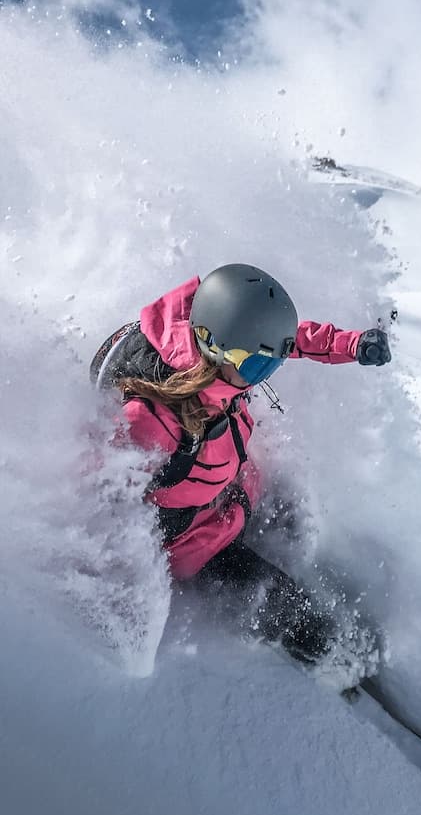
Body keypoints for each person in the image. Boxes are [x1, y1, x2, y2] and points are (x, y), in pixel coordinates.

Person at [90, 263, 391, 661]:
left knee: (301, 523)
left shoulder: (226, 359)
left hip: (235, 490)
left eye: (270, 364)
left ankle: (325, 585)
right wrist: (129, 603)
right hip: (197, 543)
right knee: (293, 612)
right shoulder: (150, 423)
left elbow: (283, 340)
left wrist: (351, 345)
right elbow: (100, 508)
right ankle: (342, 663)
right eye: (256, 366)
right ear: (215, 348)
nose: (260, 377)